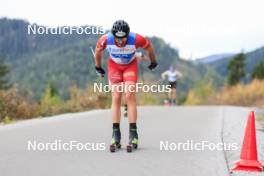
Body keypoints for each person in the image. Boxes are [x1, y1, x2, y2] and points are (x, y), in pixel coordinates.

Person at [94, 20, 157, 152]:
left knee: (129, 95)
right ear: (113, 35)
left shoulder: (136, 39)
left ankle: (133, 134)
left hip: (130, 66)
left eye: (124, 38)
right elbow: (98, 52)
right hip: (114, 67)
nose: (121, 41)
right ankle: (115, 134)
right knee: (116, 96)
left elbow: (149, 48)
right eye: (118, 38)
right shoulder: (105, 39)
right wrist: (98, 67)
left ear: (128, 35)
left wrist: (153, 61)